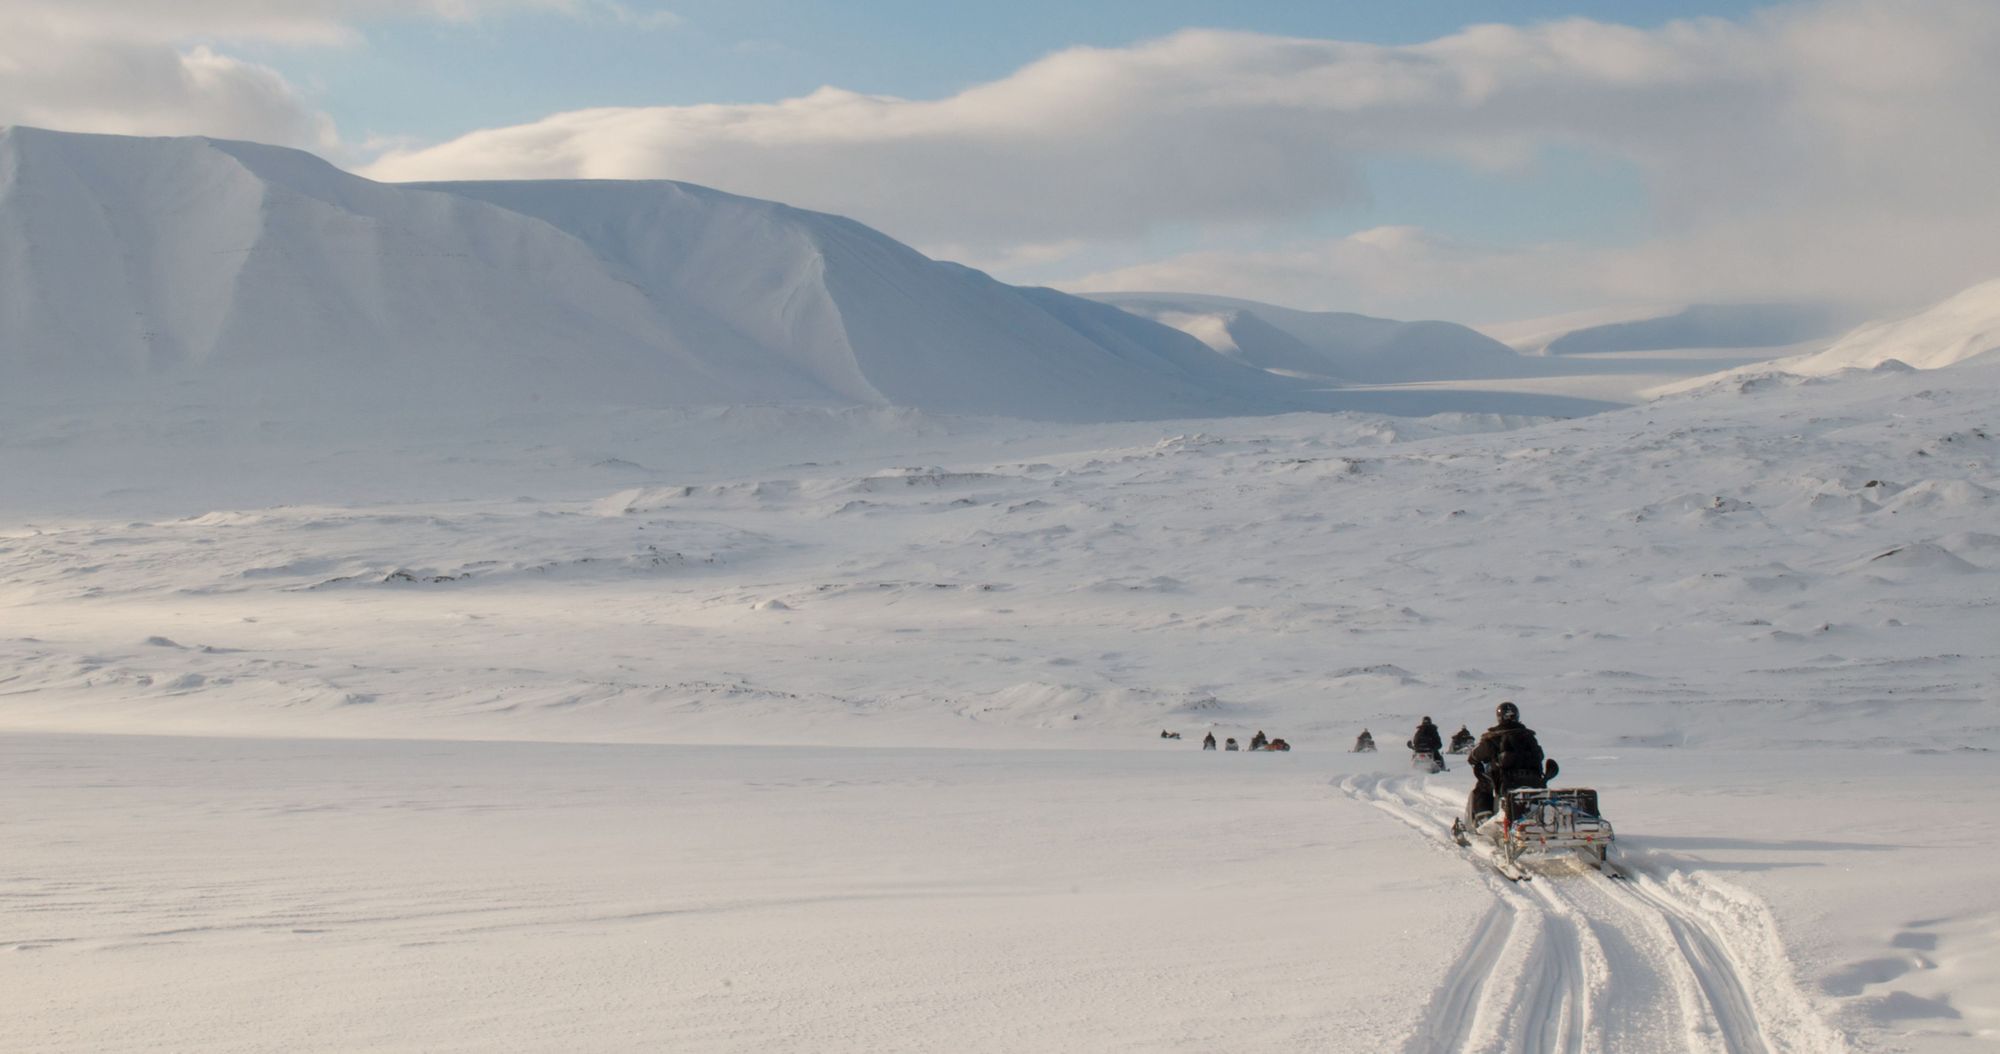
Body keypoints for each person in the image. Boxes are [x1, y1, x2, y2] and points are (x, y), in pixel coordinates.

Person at [1465, 702, 1558, 828]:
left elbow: (1475, 754)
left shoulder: (1493, 738)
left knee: (1483, 785)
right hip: (1535, 782)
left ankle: (1484, 816)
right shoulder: (1529, 737)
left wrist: (1474, 760)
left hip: (1506, 783)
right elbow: (1540, 756)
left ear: (1499, 717)